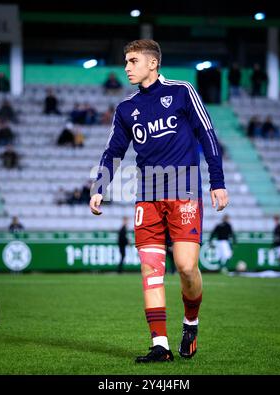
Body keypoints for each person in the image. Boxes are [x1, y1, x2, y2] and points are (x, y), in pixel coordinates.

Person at [90, 39, 228, 363]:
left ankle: (190, 323)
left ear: (152, 63)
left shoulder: (182, 92)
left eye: (133, 61)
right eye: (125, 61)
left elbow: (207, 133)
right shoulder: (126, 109)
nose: (126, 67)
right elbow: (113, 151)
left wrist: (217, 182)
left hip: (184, 192)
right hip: (147, 197)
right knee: (151, 271)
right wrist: (99, 187)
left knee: (186, 266)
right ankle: (160, 345)